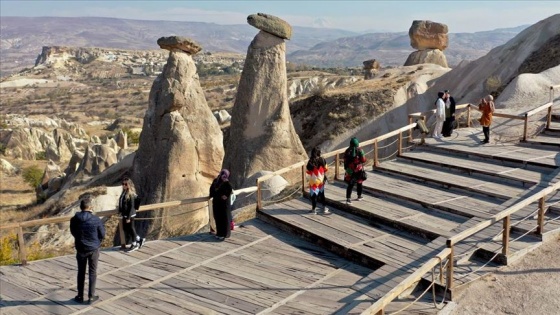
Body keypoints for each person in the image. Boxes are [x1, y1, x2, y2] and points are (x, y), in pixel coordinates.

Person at [70, 194, 105, 305]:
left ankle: (80, 295)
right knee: (92, 272)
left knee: (81, 272)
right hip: (93, 248)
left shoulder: (74, 219)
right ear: (90, 207)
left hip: (80, 248)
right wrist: (96, 242)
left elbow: (73, 232)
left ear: (80, 207)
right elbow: (102, 234)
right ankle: (91, 296)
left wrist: (80, 240)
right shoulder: (96, 219)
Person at [118, 177, 145, 252]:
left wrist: (128, 217)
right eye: (122, 184)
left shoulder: (131, 194)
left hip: (130, 215)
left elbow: (131, 207)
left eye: (125, 184)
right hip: (125, 215)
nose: (124, 185)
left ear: (129, 185)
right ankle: (139, 239)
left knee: (131, 229)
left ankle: (134, 244)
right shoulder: (124, 192)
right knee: (126, 229)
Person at [209, 169, 234, 240]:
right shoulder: (216, 181)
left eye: (225, 175)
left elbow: (229, 190)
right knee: (217, 218)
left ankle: (224, 234)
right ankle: (219, 233)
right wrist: (212, 195)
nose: (223, 176)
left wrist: (225, 195)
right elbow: (212, 190)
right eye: (223, 174)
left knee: (224, 219)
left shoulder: (227, 183)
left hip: (224, 205)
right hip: (217, 203)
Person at [306, 146, 329, 214]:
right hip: (321, 180)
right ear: (319, 152)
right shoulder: (322, 159)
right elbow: (326, 168)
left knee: (314, 196)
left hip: (313, 181)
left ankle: (314, 210)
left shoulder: (310, 161)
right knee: (322, 194)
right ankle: (324, 208)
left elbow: (308, 169)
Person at [344, 137, 367, 204]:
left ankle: (348, 199)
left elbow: (345, 160)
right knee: (359, 182)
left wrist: (346, 168)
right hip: (358, 169)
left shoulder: (347, 150)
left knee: (350, 184)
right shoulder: (360, 150)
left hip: (350, 170)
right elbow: (363, 160)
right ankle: (359, 196)